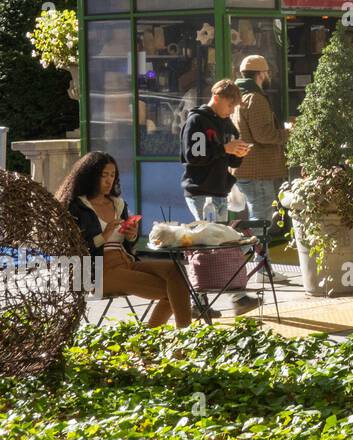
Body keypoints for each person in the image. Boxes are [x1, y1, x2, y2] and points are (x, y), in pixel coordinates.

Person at [58, 152, 192, 328]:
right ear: (90, 176)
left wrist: (131, 235)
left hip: (125, 262)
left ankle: (156, 342)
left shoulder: (118, 204)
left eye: (112, 175)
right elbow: (68, 247)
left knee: (177, 270)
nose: (109, 181)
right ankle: (174, 340)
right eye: (104, 175)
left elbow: (127, 245)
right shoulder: (75, 206)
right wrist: (102, 237)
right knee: (173, 291)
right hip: (94, 271)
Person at [179, 79, 259, 314]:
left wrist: (239, 152)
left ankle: (231, 296)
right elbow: (193, 156)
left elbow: (231, 159)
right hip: (201, 190)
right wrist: (225, 149)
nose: (232, 110)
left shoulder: (226, 124)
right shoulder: (197, 120)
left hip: (219, 189)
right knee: (209, 243)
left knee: (220, 243)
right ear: (217, 98)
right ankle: (211, 300)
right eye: (230, 105)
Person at [230, 55, 290, 239]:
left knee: (257, 216)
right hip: (258, 171)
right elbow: (263, 135)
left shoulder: (239, 96)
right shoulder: (255, 98)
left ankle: (257, 260)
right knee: (261, 220)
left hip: (245, 167)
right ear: (262, 74)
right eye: (266, 72)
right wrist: (288, 133)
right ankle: (258, 262)